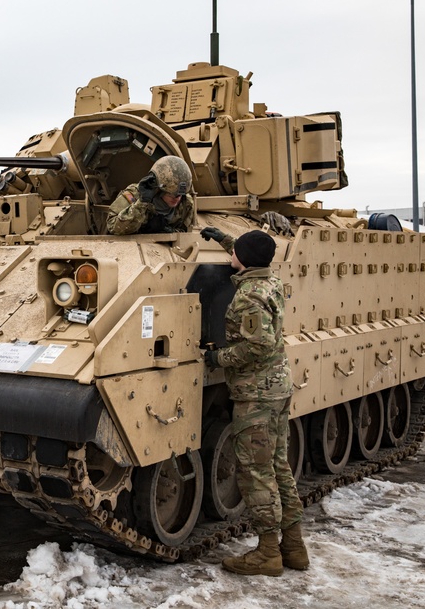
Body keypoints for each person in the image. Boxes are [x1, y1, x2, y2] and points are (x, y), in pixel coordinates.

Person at [200, 227, 308, 577]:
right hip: (277, 388)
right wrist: (225, 239)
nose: (231, 258)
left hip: (256, 395)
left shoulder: (248, 296)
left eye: (235, 254)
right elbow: (249, 255)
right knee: (279, 467)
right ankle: (293, 547)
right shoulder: (269, 280)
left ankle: (267, 553)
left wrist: (219, 359)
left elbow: (256, 346)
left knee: (256, 473)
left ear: (242, 261)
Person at [106, 155, 194, 235]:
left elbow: (185, 234)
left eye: (180, 195)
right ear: (159, 189)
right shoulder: (135, 195)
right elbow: (113, 227)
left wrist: (167, 231)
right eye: (171, 195)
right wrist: (142, 203)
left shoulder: (186, 204)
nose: (177, 199)